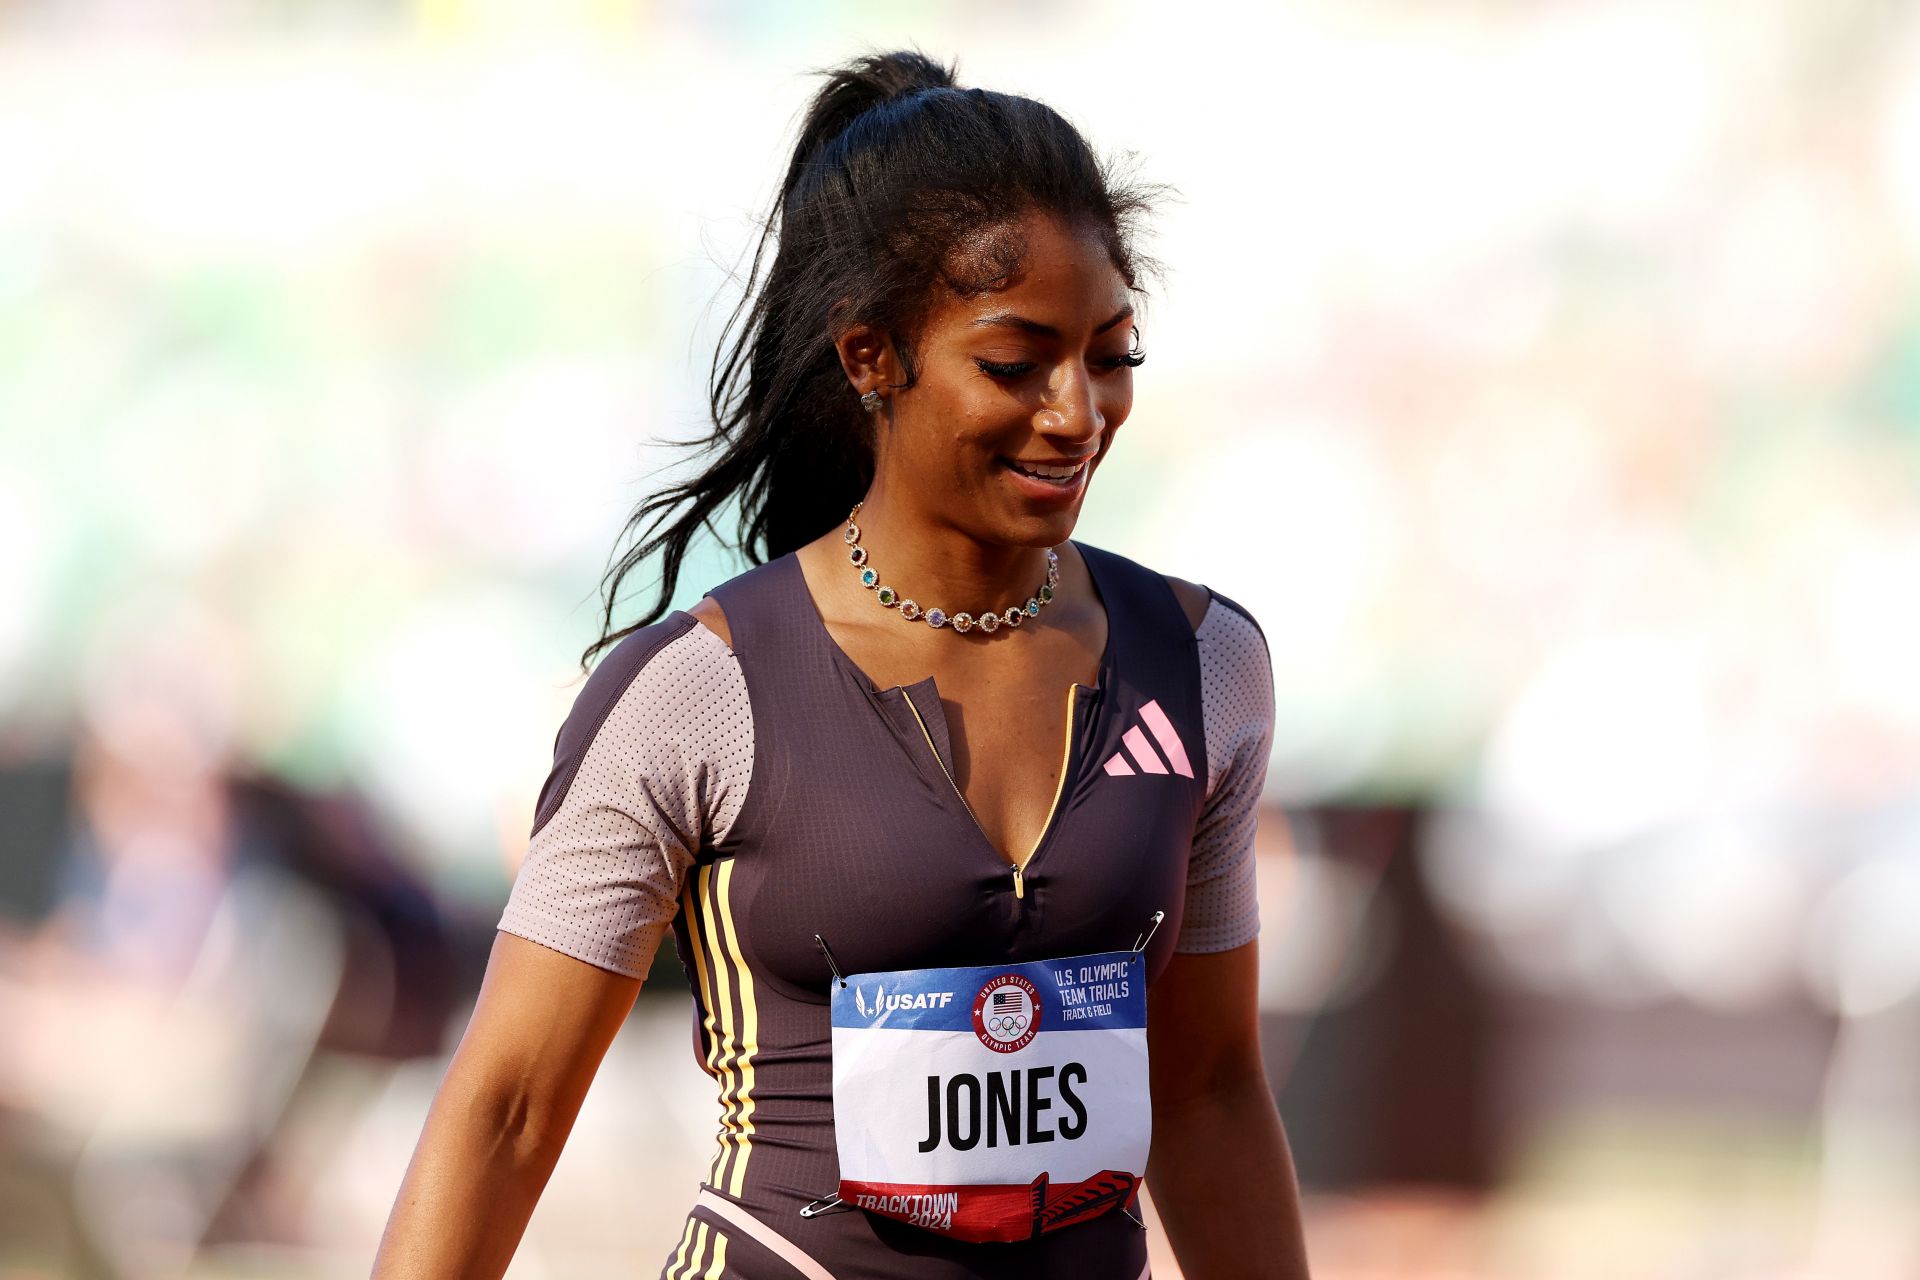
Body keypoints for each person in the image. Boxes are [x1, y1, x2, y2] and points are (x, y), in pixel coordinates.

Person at [374, 49, 1312, 1280]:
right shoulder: (698, 691)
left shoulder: (1205, 666)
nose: (1078, 410)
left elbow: (1207, 1091)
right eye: (1015, 363)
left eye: (1112, 354)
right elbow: (505, 1107)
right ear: (871, 358)